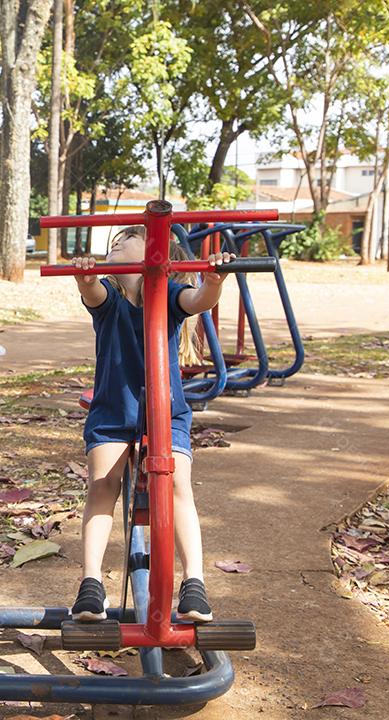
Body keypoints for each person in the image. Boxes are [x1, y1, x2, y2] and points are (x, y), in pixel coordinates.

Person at [69, 226, 234, 624]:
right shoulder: (109, 297)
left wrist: (213, 281)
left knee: (177, 485)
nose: (115, 246)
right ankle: (91, 583)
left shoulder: (168, 297)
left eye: (126, 239)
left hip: (166, 414)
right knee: (102, 485)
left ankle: (194, 582)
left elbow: (199, 300)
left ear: (158, 254)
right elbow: (92, 294)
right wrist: (85, 278)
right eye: (113, 244)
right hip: (112, 414)